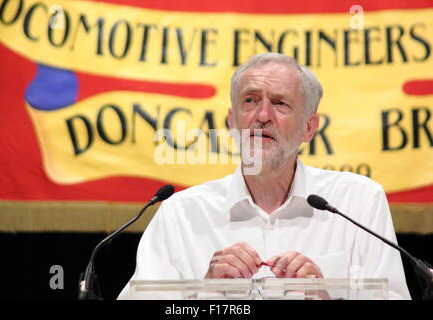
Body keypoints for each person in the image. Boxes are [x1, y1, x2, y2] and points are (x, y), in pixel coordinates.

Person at [118, 53, 411, 299]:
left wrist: (326, 297)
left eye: (280, 103)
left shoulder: (357, 202)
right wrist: (206, 293)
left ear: (309, 127)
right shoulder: (180, 214)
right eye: (250, 100)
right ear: (232, 122)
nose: (262, 115)